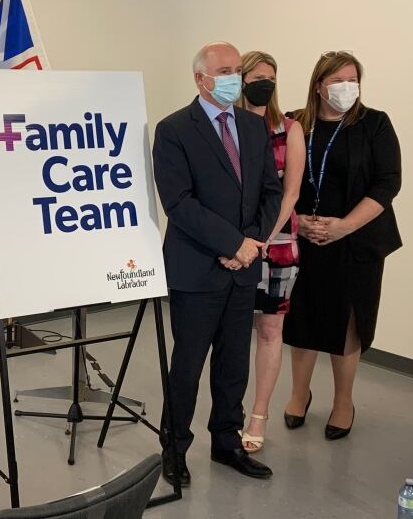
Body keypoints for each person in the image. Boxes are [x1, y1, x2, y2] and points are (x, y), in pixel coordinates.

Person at [153, 42, 282, 486]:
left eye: (236, 70)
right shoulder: (174, 130)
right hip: (196, 269)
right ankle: (174, 449)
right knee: (187, 365)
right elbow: (179, 202)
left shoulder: (252, 125)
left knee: (233, 365)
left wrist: (251, 244)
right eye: (224, 70)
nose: (234, 78)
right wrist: (231, 243)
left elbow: (270, 191)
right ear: (200, 78)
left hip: (243, 267)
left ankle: (226, 442)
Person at [283, 51, 402, 440]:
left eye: (353, 79)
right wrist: (297, 225)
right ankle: (300, 394)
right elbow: (274, 180)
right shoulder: (295, 123)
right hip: (304, 237)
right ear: (319, 85)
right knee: (301, 318)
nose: (347, 87)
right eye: (338, 81)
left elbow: (388, 183)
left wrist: (344, 227)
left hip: (357, 240)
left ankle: (343, 402)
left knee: (347, 320)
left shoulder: (375, 124)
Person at [237, 51, 305, 453]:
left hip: (275, 247)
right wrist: (237, 243)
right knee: (228, 333)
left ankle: (258, 414)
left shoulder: (288, 128)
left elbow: (290, 192)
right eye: (256, 76)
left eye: (271, 77)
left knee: (269, 331)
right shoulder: (228, 127)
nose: (264, 83)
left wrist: (260, 239)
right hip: (233, 247)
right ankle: (227, 412)